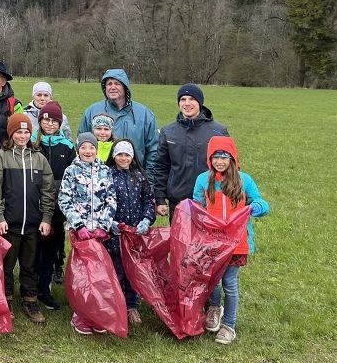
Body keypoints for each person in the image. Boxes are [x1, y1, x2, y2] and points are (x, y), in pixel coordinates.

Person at [193, 136, 269, 345]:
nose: (220, 161)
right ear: (210, 159)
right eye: (215, 157)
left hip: (237, 243)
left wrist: (256, 207)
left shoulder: (244, 180)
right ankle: (214, 309)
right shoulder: (203, 180)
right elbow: (197, 208)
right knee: (212, 280)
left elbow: (262, 204)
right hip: (213, 242)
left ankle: (229, 325)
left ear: (232, 159)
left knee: (229, 283)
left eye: (224, 157)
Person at [0, 112, 56, 324]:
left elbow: (48, 190)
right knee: (7, 265)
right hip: (9, 223)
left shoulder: (39, 158)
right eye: (18, 132)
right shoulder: (2, 157)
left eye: (26, 132)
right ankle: (5, 298)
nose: (23, 136)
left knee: (30, 264)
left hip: (34, 224)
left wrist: (46, 217)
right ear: (11, 134)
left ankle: (30, 299)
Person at [57, 132, 117, 335]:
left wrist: (104, 225)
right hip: (80, 232)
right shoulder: (71, 171)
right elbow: (65, 200)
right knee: (82, 274)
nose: (88, 151)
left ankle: (97, 314)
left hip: (100, 233)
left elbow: (111, 199)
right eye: (84, 147)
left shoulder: (105, 171)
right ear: (78, 149)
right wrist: (79, 225)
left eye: (91, 147)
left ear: (96, 149)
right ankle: (81, 314)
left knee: (99, 274)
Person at [154, 83, 230, 219]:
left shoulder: (218, 131)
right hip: (178, 200)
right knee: (180, 239)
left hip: (211, 199)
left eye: (192, 99)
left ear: (200, 102)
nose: (187, 103)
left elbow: (231, 165)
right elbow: (161, 166)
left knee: (208, 240)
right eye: (183, 99)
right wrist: (160, 198)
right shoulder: (168, 132)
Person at [104, 139, 155, 325]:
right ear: (114, 156)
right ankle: (116, 305)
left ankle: (132, 305)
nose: (123, 158)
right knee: (116, 270)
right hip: (114, 235)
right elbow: (100, 202)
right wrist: (109, 223)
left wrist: (146, 220)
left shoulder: (140, 176)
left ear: (132, 157)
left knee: (132, 271)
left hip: (135, 235)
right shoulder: (107, 175)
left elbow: (149, 200)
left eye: (127, 155)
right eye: (120, 155)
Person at [79, 69, 159, 179]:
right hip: (98, 180)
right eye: (109, 84)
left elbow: (153, 151)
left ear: (125, 87)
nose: (112, 87)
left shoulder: (145, 114)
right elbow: (81, 144)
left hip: (134, 179)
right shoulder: (92, 111)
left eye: (117, 83)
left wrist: (149, 181)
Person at [33, 102, 75, 312]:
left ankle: (45, 288)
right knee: (33, 249)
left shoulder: (67, 147)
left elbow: (71, 176)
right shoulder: (33, 144)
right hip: (34, 206)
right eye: (46, 120)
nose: (49, 124)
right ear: (40, 121)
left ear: (60, 123)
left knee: (51, 249)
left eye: (54, 121)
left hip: (57, 209)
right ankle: (30, 288)